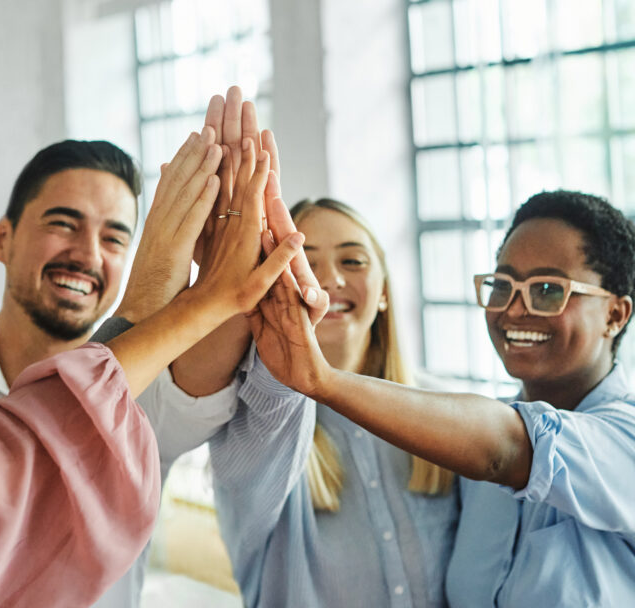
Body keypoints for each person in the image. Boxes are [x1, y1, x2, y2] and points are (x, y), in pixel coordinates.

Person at [0, 130, 306, 607]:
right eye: (63, 224)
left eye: (116, 237)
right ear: (3, 238)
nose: (89, 255)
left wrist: (239, 264)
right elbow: (58, 421)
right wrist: (165, 299)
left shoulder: (149, 393)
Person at [251, 190, 635, 607]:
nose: (515, 309)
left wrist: (322, 379)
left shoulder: (622, 438)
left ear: (615, 314)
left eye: (547, 289)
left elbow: (508, 448)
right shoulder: (468, 461)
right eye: (502, 285)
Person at [209, 198, 458, 607]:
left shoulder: (443, 407)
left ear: (384, 293)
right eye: (304, 263)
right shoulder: (251, 424)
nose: (328, 280)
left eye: (354, 261)